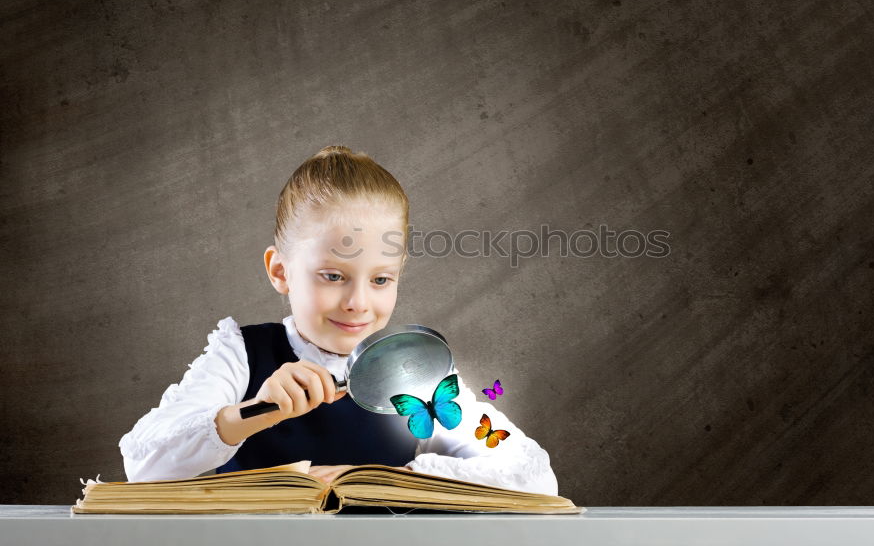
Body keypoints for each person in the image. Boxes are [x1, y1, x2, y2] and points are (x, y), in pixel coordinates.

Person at [119, 145, 558, 495]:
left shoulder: (417, 377)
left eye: (381, 279)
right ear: (280, 271)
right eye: (333, 276)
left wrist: (384, 481)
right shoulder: (240, 355)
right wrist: (253, 412)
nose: (358, 303)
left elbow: (533, 477)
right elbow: (144, 464)